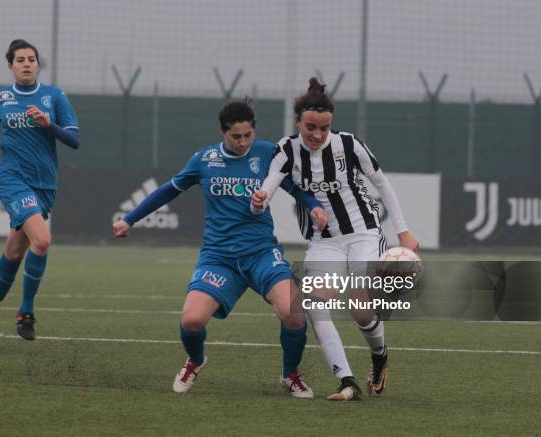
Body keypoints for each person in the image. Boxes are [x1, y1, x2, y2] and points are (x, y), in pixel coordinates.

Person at [113, 100, 328, 397]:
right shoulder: (204, 160)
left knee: (294, 314)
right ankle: (196, 360)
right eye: (236, 137)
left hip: (261, 253)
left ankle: (290, 375)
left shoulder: (267, 153)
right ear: (222, 132)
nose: (243, 143)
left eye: (248, 135)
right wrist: (130, 219)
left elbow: (295, 188)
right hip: (219, 257)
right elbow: (168, 190)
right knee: (191, 320)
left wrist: (315, 207)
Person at [251, 78, 419, 400]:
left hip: (363, 233)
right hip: (323, 241)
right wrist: (259, 200)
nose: (316, 135)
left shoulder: (350, 145)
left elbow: (382, 185)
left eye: (324, 128)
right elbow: (268, 188)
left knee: (359, 307)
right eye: (310, 127)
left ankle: (379, 356)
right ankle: (347, 382)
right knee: (314, 306)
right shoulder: (286, 150)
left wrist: (403, 231)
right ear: (298, 121)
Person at [0, 39, 80, 347]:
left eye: (31, 59)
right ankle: (26, 312)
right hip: (13, 179)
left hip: (45, 183)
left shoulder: (54, 96)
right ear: (11, 65)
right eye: (19, 59)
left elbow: (74, 139)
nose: (26, 64)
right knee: (43, 241)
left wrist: (49, 125)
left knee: (14, 252)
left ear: (37, 64)